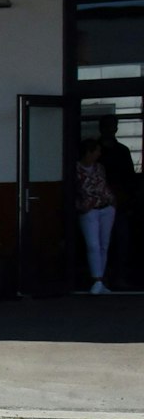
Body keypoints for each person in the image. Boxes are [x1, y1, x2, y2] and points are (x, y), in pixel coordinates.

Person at [94, 116, 137, 288]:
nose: (111, 130)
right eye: (108, 127)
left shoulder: (120, 151)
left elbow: (130, 179)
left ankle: (114, 276)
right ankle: (104, 276)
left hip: (118, 202)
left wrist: (129, 202)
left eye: (112, 127)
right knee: (105, 241)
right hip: (103, 202)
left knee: (118, 241)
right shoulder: (99, 151)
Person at [77, 136, 117, 294]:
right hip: (89, 209)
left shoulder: (100, 167)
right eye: (97, 151)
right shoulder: (75, 169)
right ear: (89, 152)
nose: (99, 154)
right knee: (93, 244)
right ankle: (97, 279)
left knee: (103, 244)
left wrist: (112, 201)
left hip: (106, 207)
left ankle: (100, 280)